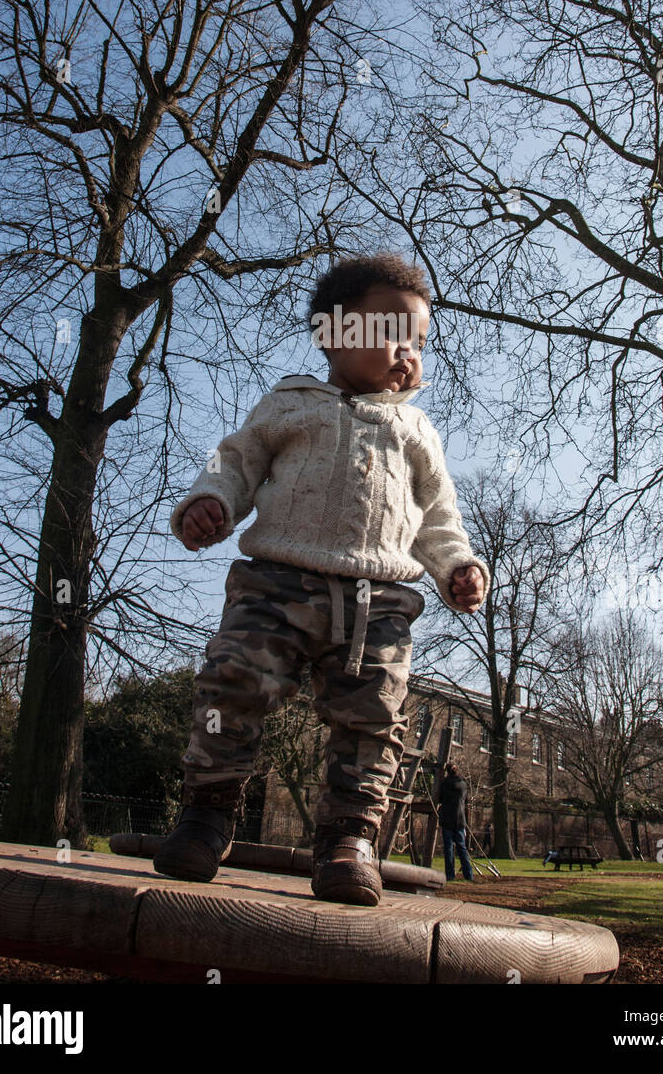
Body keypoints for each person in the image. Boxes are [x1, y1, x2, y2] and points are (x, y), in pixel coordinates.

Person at [154, 252, 490, 907]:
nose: (408, 353)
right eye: (391, 333)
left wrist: (459, 567)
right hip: (277, 583)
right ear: (333, 335)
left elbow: (438, 514)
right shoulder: (290, 403)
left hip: (381, 602)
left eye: (419, 342)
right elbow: (237, 461)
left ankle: (348, 841)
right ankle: (206, 812)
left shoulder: (416, 429)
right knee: (235, 684)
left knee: (373, 721)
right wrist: (212, 501)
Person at [439, 762, 474, 882]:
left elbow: (440, 798)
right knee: (461, 847)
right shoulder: (463, 784)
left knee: (448, 848)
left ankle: (450, 874)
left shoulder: (445, 783)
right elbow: (466, 800)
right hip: (460, 819)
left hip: (447, 819)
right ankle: (468, 874)